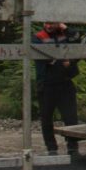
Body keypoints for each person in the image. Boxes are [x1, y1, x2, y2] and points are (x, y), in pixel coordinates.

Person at [33, 22, 79, 156]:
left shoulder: (64, 34)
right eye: (47, 23)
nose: (49, 26)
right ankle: (51, 148)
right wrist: (63, 61)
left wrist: (65, 28)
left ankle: (72, 147)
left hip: (65, 82)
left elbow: (77, 39)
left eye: (52, 23)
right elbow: (43, 56)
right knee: (46, 118)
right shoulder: (38, 37)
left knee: (71, 118)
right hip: (47, 84)